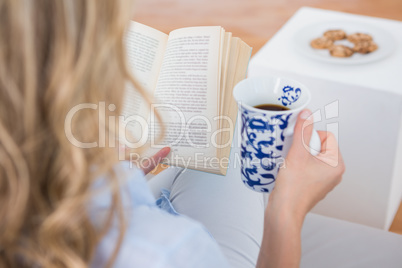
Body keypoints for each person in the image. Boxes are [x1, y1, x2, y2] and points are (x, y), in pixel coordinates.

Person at [0, 0, 345, 267]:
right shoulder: (170, 252)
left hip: (82, 201)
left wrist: (109, 180)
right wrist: (287, 212)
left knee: (221, 143)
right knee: (230, 138)